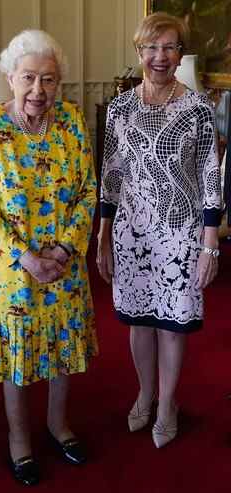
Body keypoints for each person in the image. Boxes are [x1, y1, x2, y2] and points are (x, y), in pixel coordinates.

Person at [0, 29, 98, 485]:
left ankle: (58, 425)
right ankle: (19, 438)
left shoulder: (71, 119)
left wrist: (63, 250)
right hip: (14, 270)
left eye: (49, 80)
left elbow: (87, 190)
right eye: (29, 78)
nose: (38, 90)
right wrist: (27, 258)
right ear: (10, 77)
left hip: (64, 263)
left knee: (63, 347)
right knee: (19, 352)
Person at [97, 12, 222, 448]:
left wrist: (210, 245)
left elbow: (210, 176)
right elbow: (111, 173)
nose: (160, 56)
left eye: (169, 47)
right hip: (132, 231)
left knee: (172, 323)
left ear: (180, 54)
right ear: (139, 52)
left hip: (180, 232)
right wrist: (103, 232)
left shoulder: (197, 109)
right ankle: (145, 393)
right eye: (151, 47)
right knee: (140, 321)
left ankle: (167, 404)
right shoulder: (120, 108)